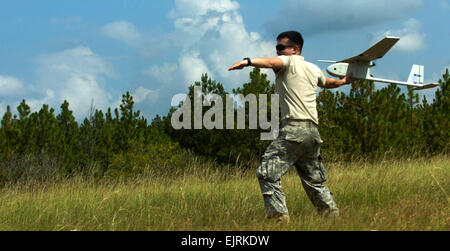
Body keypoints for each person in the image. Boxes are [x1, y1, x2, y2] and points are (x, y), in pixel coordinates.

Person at [228, 31, 354, 223]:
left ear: (295, 49)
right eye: (277, 47)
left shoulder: (289, 62)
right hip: (312, 133)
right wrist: (345, 81)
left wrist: (247, 61)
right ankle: (333, 218)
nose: (277, 51)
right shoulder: (313, 68)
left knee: (266, 173)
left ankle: (280, 217)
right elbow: (328, 83)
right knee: (314, 182)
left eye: (281, 47)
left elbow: (271, 63)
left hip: (294, 129)